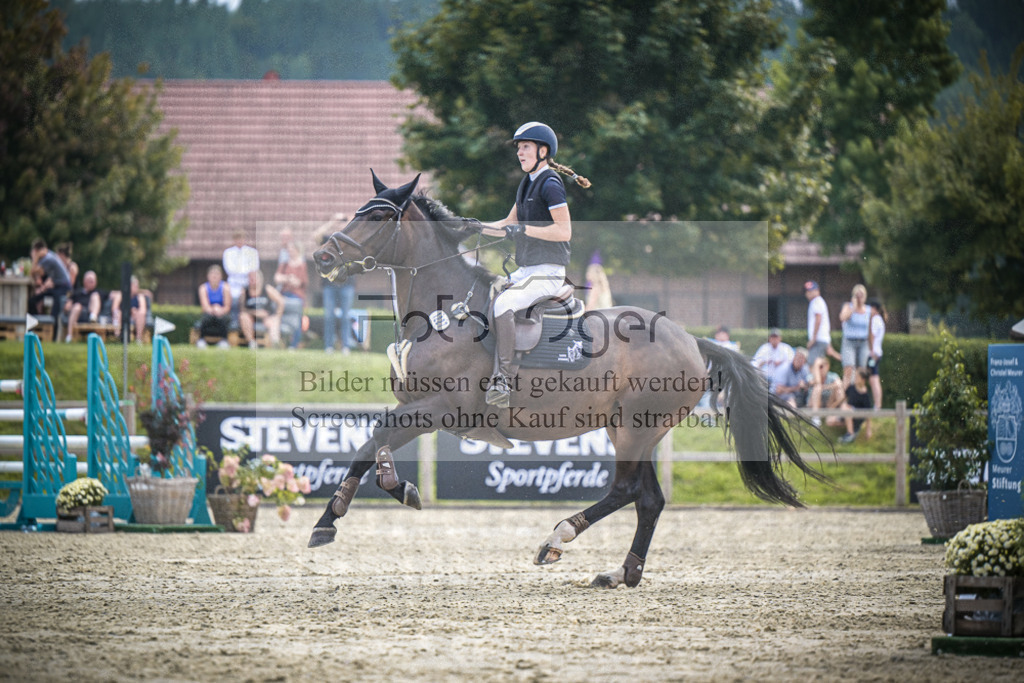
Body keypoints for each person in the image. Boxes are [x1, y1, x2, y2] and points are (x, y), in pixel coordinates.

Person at [475, 121, 590, 407]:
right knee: (484, 295)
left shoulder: (551, 183)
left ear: (543, 150)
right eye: (518, 148)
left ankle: (502, 379)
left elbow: (564, 231)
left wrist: (525, 230)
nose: (520, 152)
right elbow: (507, 224)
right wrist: (472, 227)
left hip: (548, 273)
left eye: (525, 147)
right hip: (526, 270)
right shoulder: (526, 182)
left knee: (504, 305)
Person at [315, 215, 357, 354]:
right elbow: (316, 235)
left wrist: (351, 221)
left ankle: (345, 346)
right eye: (340, 223)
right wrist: (332, 221)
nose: (340, 225)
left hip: (347, 284)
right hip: (329, 285)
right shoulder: (329, 240)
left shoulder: (350, 240)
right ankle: (329, 346)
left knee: (346, 317)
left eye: (343, 223)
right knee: (329, 317)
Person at [28, 238, 72, 340]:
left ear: (38, 250)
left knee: (54, 313)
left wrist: (36, 258)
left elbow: (33, 272)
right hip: (56, 286)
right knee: (32, 301)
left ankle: (52, 338)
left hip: (63, 288)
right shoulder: (49, 255)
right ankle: (33, 329)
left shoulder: (48, 258)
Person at [274, 241, 308, 349]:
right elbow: (277, 278)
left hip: (296, 296)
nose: (290, 252)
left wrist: (292, 280)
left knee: (296, 320)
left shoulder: (302, 265)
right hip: (284, 294)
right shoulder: (284, 264)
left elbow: (301, 283)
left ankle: (294, 344)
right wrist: (287, 279)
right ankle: (279, 342)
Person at [239, 269, 284, 349]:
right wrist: (254, 312)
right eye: (250, 278)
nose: (252, 280)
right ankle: (252, 343)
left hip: (267, 316)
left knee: (274, 321)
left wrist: (278, 316)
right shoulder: (244, 291)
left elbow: (281, 301)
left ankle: (275, 343)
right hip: (251, 316)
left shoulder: (267, 289)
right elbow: (242, 309)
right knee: (243, 316)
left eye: (254, 277)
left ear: (260, 278)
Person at [222, 230, 260, 321]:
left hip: (248, 285)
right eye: (237, 238)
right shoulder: (228, 253)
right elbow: (230, 270)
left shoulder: (252, 252)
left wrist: (242, 272)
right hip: (234, 285)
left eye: (241, 238)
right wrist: (244, 271)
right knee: (234, 303)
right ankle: (234, 323)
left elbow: (254, 268)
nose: (240, 240)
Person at [839, 284, 871, 387]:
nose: (859, 298)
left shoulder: (869, 310)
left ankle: (858, 398)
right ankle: (845, 398)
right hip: (849, 342)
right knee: (848, 369)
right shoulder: (848, 306)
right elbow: (842, 317)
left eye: (861, 295)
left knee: (862, 371)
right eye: (857, 295)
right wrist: (853, 308)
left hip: (864, 343)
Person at [63, 270, 108, 342]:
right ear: (84, 281)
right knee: (77, 306)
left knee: (95, 296)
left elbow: (115, 294)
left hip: (92, 313)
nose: (92, 282)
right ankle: (69, 336)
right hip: (78, 315)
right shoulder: (77, 292)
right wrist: (71, 307)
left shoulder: (99, 292)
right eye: (90, 280)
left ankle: (93, 316)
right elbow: (67, 307)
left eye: (93, 280)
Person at [804, 281, 839, 366]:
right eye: (807, 291)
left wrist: (813, 339)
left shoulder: (816, 301)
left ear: (817, 290)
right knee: (819, 365)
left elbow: (818, 319)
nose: (809, 293)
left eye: (811, 290)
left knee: (812, 365)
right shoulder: (819, 301)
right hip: (822, 339)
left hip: (818, 340)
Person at [197, 264, 232, 347]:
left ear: (221, 276)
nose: (214, 277)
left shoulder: (225, 287)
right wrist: (214, 310)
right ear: (208, 276)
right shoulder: (203, 288)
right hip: (209, 312)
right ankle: (201, 340)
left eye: (217, 274)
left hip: (222, 312)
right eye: (212, 274)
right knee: (206, 318)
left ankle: (224, 341)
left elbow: (227, 306)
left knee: (223, 319)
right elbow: (205, 306)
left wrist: (220, 310)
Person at [807, 356, 845, 427]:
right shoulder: (811, 376)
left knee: (839, 390)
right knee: (817, 388)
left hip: (828, 403)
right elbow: (817, 383)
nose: (820, 369)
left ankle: (841, 414)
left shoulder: (833, 375)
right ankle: (816, 416)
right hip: (813, 403)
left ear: (828, 366)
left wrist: (826, 387)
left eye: (822, 367)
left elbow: (839, 384)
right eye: (819, 367)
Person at [838, 368, 874, 443]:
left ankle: (850, 434)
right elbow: (843, 398)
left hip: (858, 416)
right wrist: (831, 407)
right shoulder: (851, 388)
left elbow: (868, 413)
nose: (855, 378)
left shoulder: (866, 395)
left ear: (863, 379)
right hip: (847, 413)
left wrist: (868, 430)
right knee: (830, 421)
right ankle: (851, 428)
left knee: (846, 409)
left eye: (857, 377)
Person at [866, 298, 887, 411]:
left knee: (874, 379)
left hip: (873, 354)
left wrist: (871, 352)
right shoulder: (880, 320)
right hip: (876, 353)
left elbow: (872, 336)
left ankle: (877, 405)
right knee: (872, 378)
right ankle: (877, 404)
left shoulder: (875, 320)